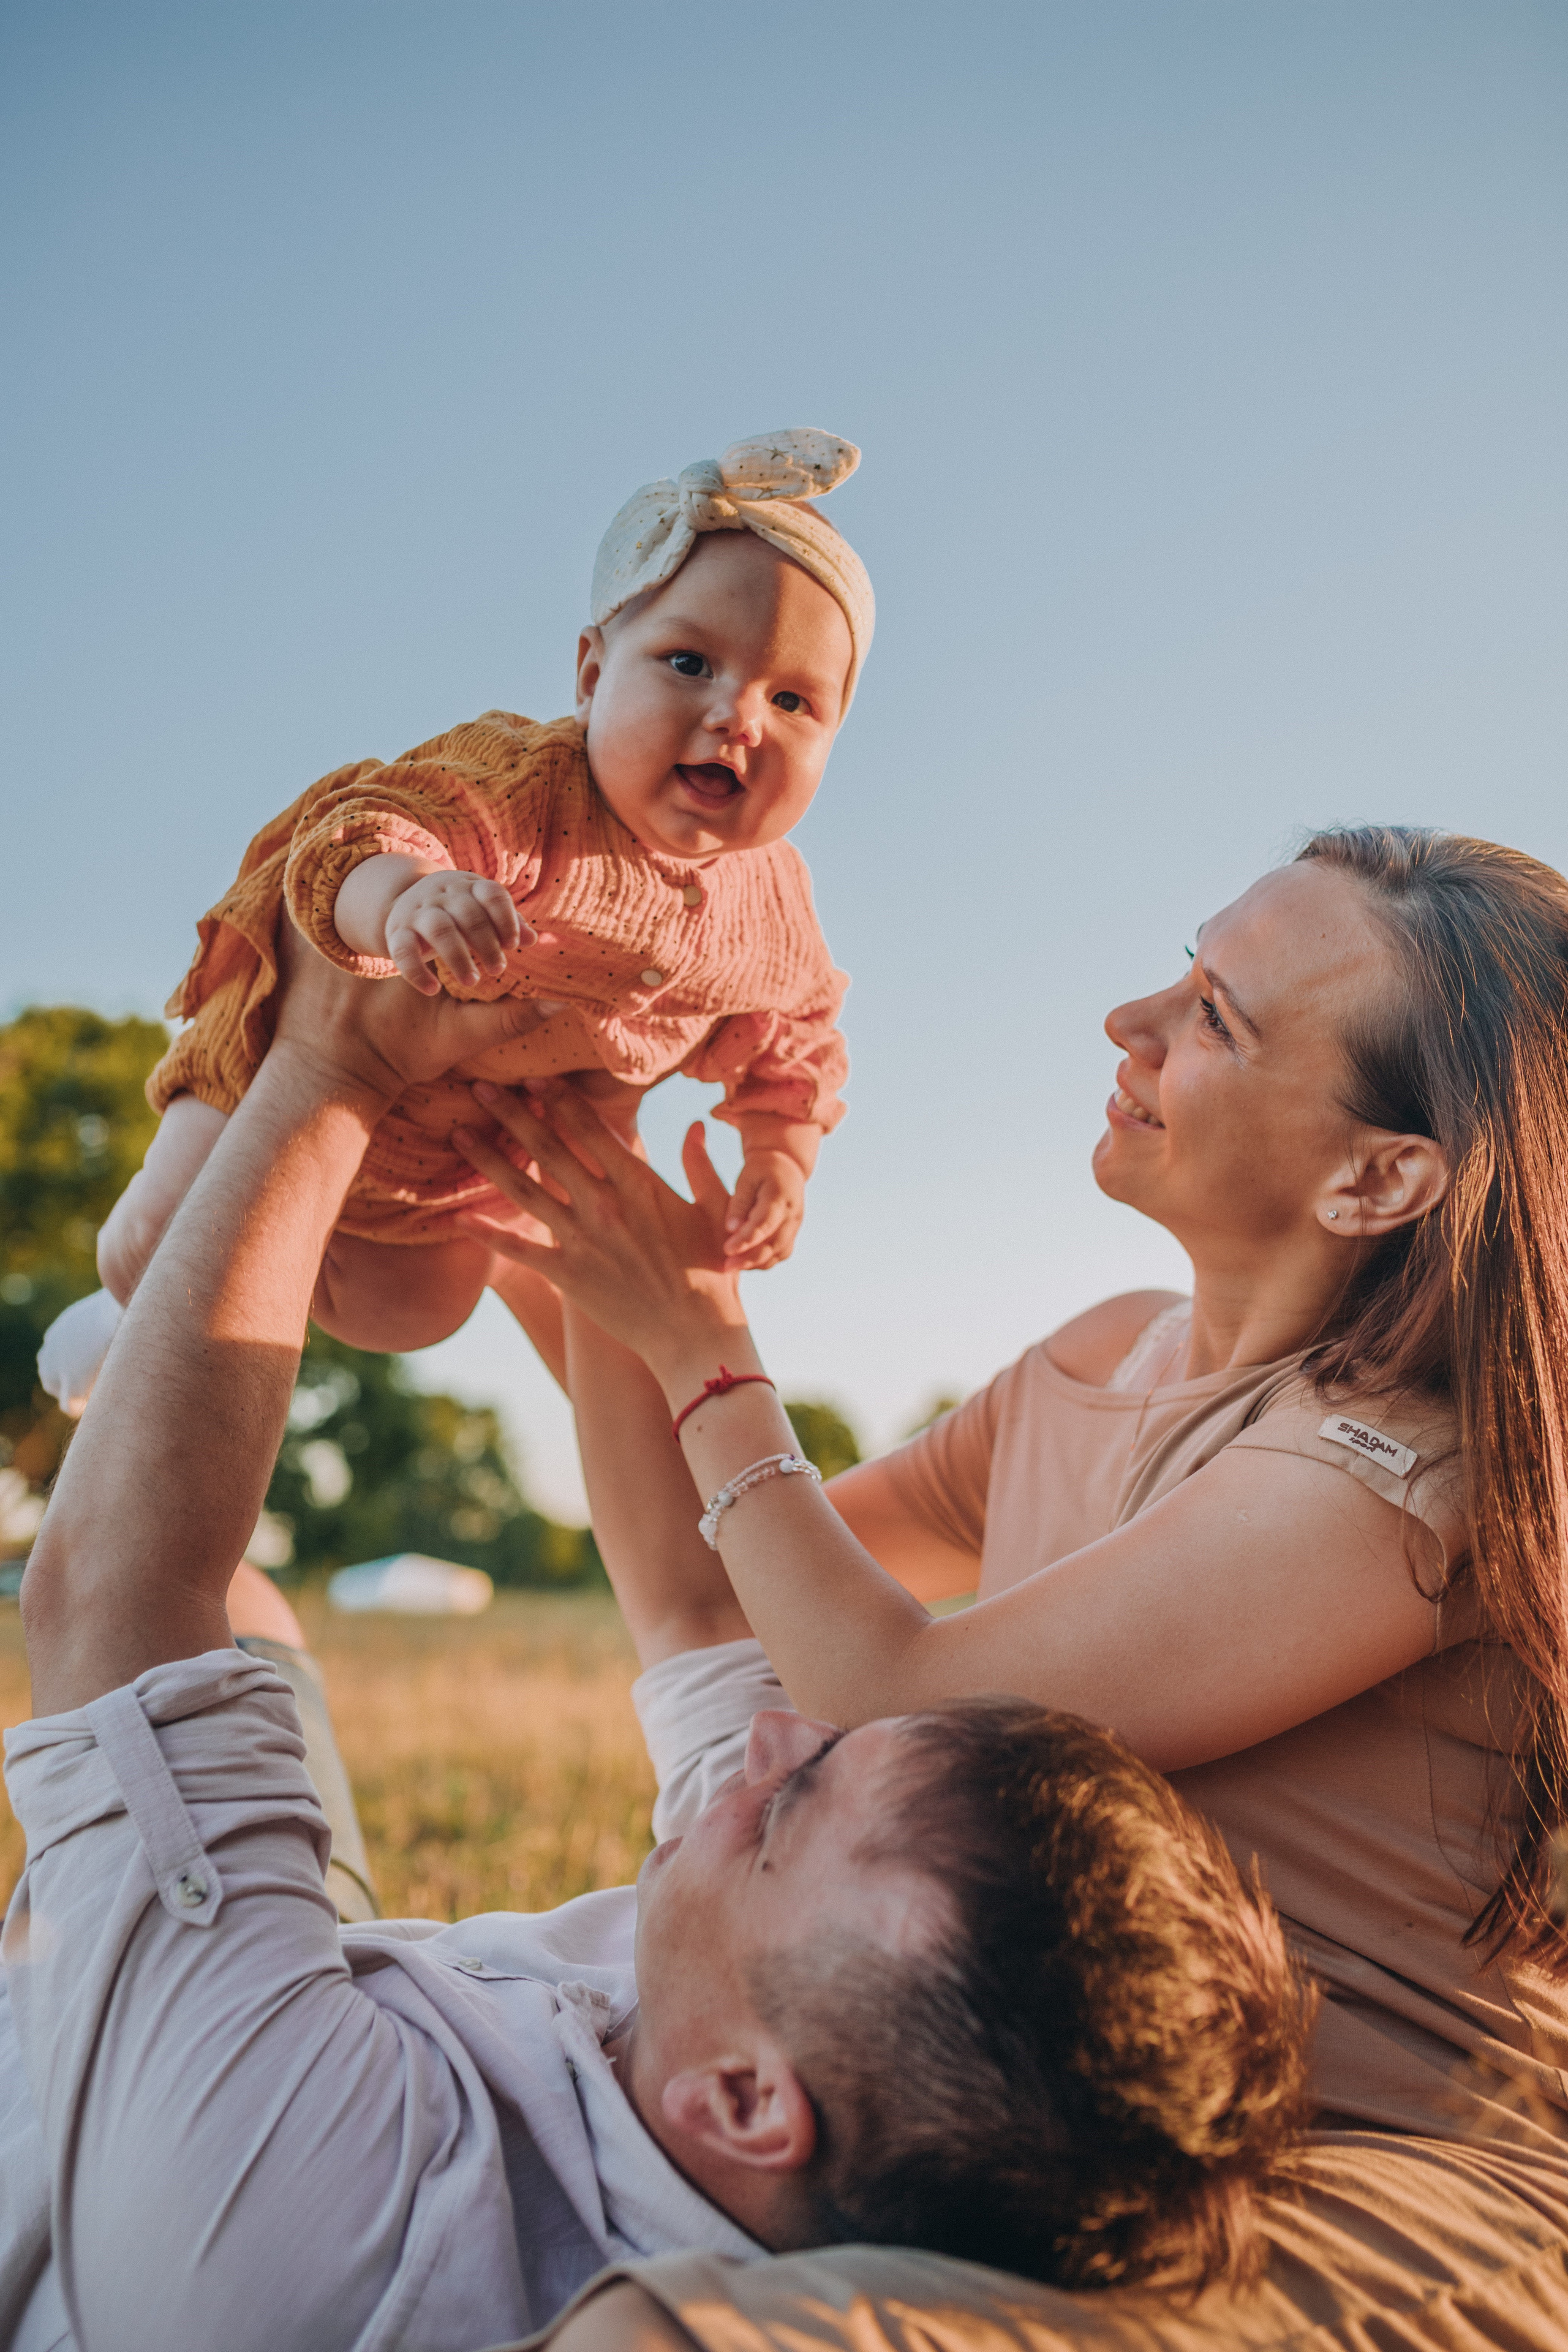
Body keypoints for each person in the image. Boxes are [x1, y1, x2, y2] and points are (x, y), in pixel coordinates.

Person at [0, 933, 1310, 2352]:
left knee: (226, 1626)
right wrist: (580, 1132)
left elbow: (114, 1600)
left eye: (785, 1805)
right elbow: (695, 1611)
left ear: (746, 2105)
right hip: (313, 1976)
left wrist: (328, 1063)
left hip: (121, 2050)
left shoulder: (305, 2235)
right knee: (260, 1623)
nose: (771, 1733)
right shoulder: (781, 1996)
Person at [454, 827, 1568, 2350]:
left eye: (1214, 1018)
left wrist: (698, 1338)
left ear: (1379, 1177)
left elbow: (888, 1688)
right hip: (1039, 2126)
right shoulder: (1102, 1356)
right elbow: (739, 1585)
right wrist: (571, 1198)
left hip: (1383, 2182)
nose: (1132, 1021)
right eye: (1182, 970)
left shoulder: (1404, 1475)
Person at [35, 426, 872, 1415]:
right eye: (690, 663)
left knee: (418, 1314)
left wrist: (781, 1159)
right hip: (284, 1079)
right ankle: (129, 1313)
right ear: (593, 676)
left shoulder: (774, 913)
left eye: (793, 700)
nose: (740, 716)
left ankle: (271, 1283)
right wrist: (407, 898)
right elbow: (361, 833)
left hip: (451, 1169)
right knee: (160, 1242)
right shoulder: (526, 787)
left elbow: (795, 1039)